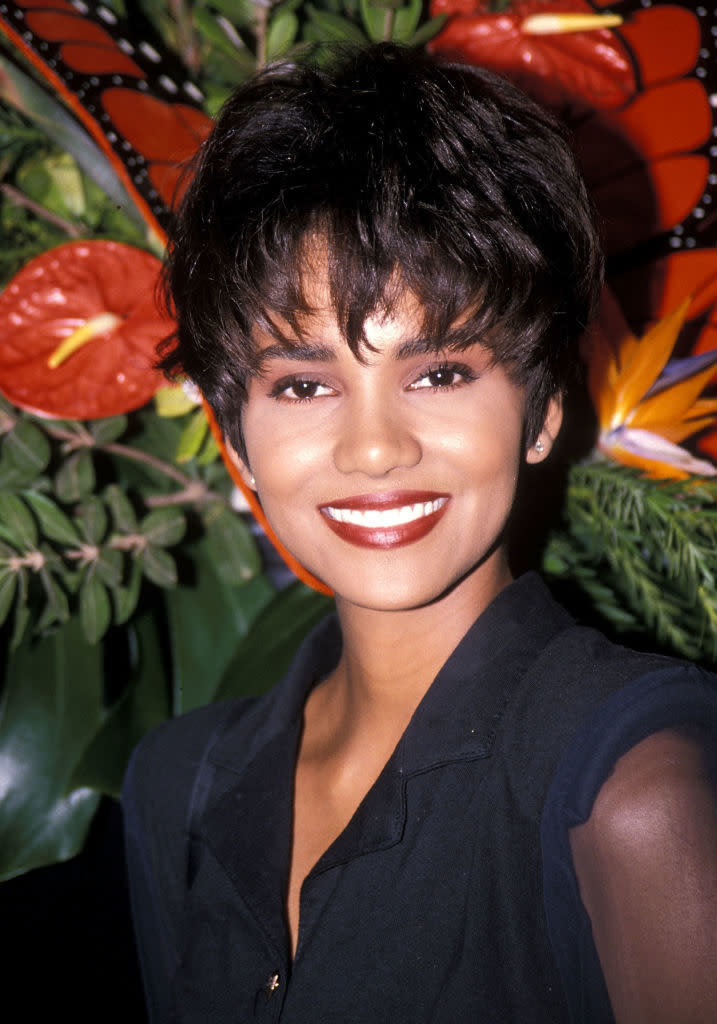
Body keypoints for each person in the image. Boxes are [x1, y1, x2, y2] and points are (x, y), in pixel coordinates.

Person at [122, 43, 717, 1023]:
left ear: (543, 410)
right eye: (305, 384)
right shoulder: (178, 787)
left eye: (438, 371)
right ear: (236, 433)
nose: (373, 449)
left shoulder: (634, 788)